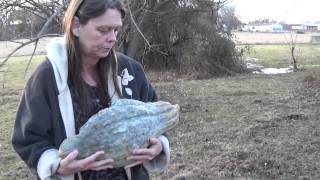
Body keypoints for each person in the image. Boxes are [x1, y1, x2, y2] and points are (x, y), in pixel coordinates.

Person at [11, 0, 170, 179]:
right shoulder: (46, 79)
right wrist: (57, 166)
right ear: (77, 26)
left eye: (116, 29)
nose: (113, 38)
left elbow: (156, 118)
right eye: (103, 30)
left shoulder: (129, 71)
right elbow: (28, 139)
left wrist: (159, 145)